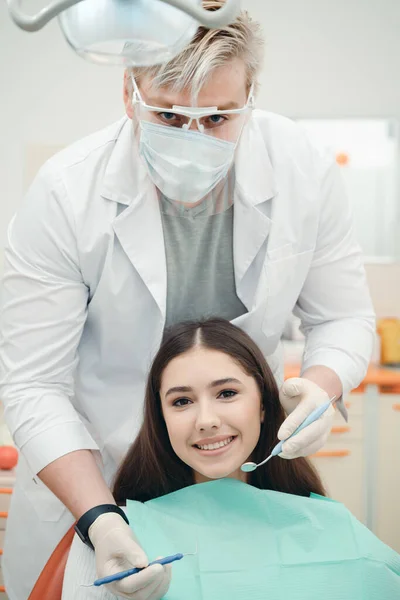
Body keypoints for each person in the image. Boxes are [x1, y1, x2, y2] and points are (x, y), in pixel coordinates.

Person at [0, 1, 375, 599]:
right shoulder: (67, 195)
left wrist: (322, 387)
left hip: (242, 480)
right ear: (130, 92)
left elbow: (345, 316)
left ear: (251, 95)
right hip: (100, 475)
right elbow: (31, 384)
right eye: (170, 117)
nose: (194, 138)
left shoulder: (301, 168)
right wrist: (99, 518)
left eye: (219, 117)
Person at [62, 318, 399, 599]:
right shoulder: (116, 541)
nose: (206, 420)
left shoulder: (337, 533)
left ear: (265, 405)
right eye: (181, 401)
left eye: (227, 393)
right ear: (160, 419)